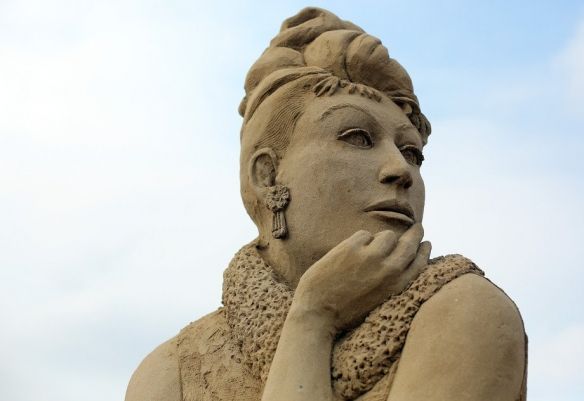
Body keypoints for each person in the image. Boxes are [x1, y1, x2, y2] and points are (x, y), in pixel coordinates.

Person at [126, 7, 527, 401]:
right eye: (358, 137)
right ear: (266, 176)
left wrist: (313, 318)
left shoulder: (464, 313)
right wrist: (313, 315)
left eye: (412, 153)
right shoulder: (172, 372)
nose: (400, 169)